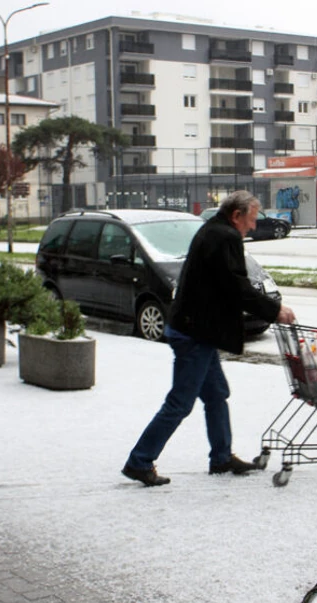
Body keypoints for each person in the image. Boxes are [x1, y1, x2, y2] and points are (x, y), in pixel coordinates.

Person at [122, 191, 296, 486]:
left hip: (195, 329)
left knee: (216, 394)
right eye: (252, 219)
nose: (253, 226)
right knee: (180, 402)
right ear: (237, 215)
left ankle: (221, 457)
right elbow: (236, 286)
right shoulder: (224, 237)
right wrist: (274, 310)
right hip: (195, 333)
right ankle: (139, 461)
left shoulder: (213, 230)